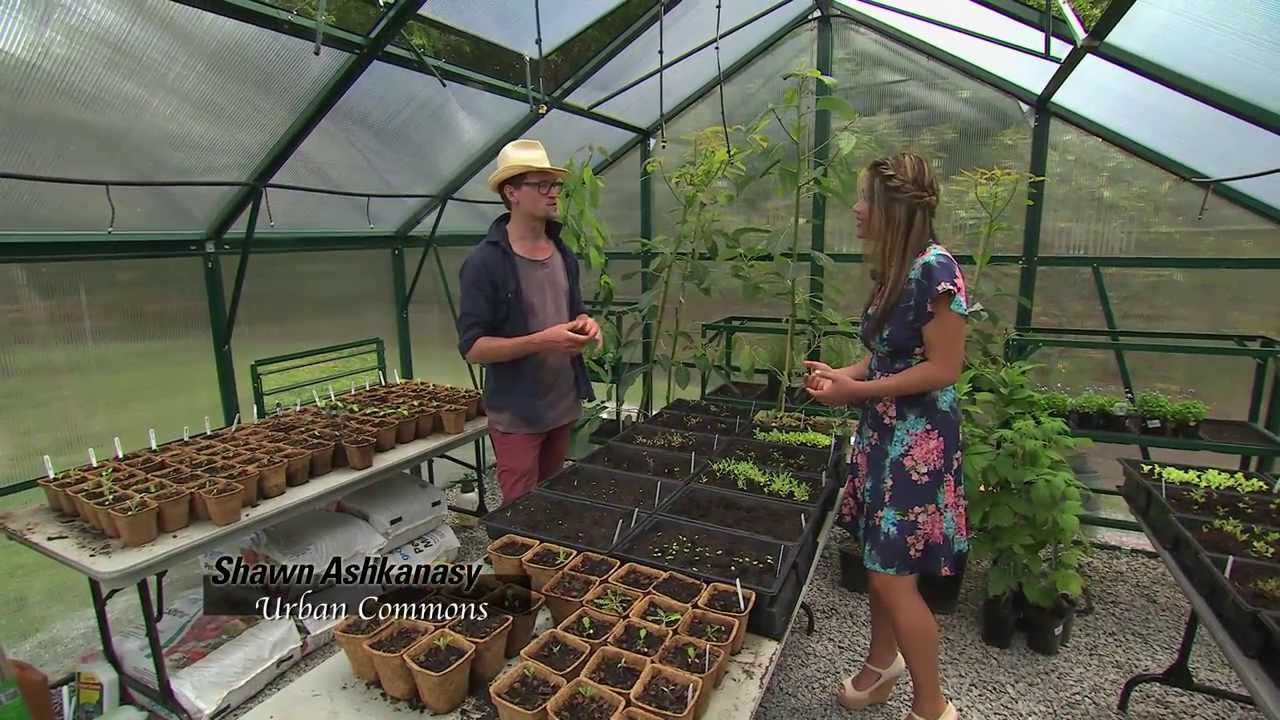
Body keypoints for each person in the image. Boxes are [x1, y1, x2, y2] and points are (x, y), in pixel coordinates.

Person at [805, 152, 968, 720]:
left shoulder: (936, 270)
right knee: (879, 559)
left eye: (866, 199)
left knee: (893, 576)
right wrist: (840, 375)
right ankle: (881, 665)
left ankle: (932, 707)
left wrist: (856, 393)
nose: (856, 209)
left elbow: (944, 368)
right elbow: (884, 359)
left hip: (917, 448)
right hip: (884, 436)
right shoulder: (897, 271)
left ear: (895, 209)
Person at [456, 139, 602, 505]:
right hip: (518, 413)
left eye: (555, 185)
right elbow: (473, 349)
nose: (554, 194)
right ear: (512, 192)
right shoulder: (485, 263)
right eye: (542, 185)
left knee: (551, 502)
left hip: (562, 403)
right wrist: (543, 340)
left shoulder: (561, 251)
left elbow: (573, 312)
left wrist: (585, 323)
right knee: (519, 513)